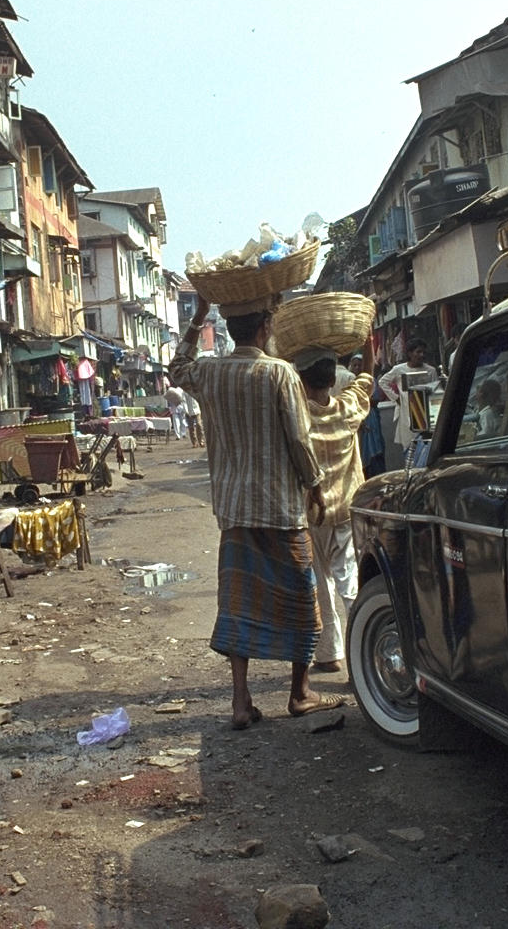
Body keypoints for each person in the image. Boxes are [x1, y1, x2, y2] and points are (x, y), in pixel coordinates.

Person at [171, 297, 346, 729]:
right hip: (280, 508)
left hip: (234, 510)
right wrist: (315, 485)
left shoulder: (209, 372)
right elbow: (299, 438)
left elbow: (176, 370)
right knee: (303, 602)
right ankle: (300, 692)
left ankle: (240, 701)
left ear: (230, 328)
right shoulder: (279, 372)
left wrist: (195, 320)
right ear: (266, 327)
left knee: (238, 602)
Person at [294, 335, 375, 674]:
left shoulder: (297, 418)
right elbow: (367, 378)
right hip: (348, 509)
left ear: (302, 380)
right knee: (350, 582)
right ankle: (364, 653)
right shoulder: (347, 407)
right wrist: (369, 344)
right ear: (333, 379)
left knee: (322, 584)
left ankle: (330, 655)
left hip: (313, 512)